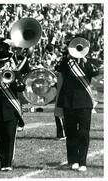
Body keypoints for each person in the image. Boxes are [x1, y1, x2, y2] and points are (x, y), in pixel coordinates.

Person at [55, 35, 99, 172]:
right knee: (71, 132)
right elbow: (58, 68)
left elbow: (95, 72)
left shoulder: (89, 62)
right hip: (69, 102)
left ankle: (83, 162)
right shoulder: (66, 62)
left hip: (84, 103)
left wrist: (85, 61)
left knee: (84, 133)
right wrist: (67, 57)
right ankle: (73, 160)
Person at [0, 51, 25, 171]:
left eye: (4, 62)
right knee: (0, 137)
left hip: (11, 110)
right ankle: (2, 162)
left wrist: (13, 76)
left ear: (9, 61)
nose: (2, 64)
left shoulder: (16, 73)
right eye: (0, 62)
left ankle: (8, 163)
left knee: (9, 136)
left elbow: (21, 87)